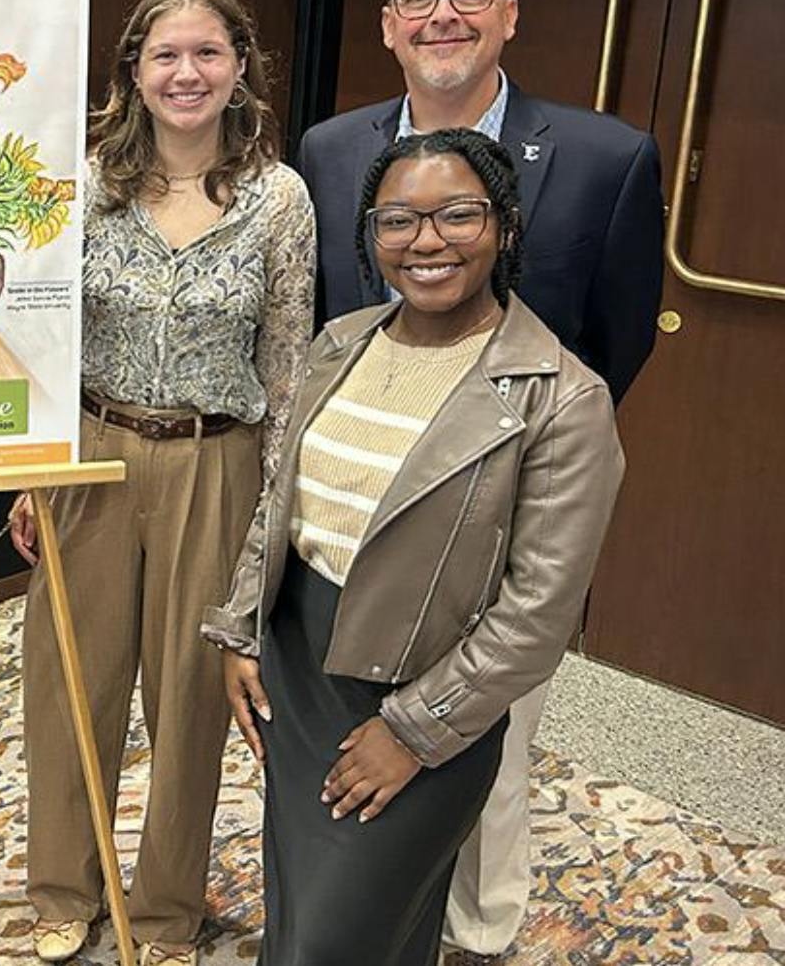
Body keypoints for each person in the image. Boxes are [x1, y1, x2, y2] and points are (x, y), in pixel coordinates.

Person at [294, 0, 664, 955]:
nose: (441, 16)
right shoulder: (328, 150)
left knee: (489, 753)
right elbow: (321, 328)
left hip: (498, 521)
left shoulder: (605, 157)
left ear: (508, 14)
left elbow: (613, 343)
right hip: (350, 517)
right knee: (348, 748)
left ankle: (476, 937)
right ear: (386, 27)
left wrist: (527, 470)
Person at [205, 127, 625, 965]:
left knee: (338, 935)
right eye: (398, 221)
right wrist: (242, 627)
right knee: (310, 906)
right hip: (298, 663)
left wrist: (414, 730)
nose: (426, 241)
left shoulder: (563, 399)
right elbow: (281, 499)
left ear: (505, 226)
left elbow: (538, 616)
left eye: (457, 215)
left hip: (427, 693)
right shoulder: (342, 342)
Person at [8, 0, 315, 965]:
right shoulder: (85, 182)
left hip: (213, 463)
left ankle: (169, 907)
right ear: (133, 71)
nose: (185, 73)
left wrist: (271, 523)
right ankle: (63, 884)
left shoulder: (279, 200)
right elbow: (39, 337)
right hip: (92, 453)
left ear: (239, 69)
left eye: (206, 53)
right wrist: (31, 465)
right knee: (67, 681)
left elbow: (288, 367)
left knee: (189, 699)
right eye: (164, 55)